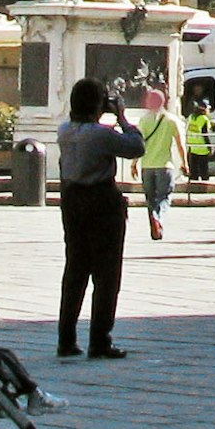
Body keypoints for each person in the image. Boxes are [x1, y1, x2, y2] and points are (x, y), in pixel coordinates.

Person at [51, 78, 136, 360]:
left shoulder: (65, 131)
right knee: (106, 273)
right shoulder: (101, 134)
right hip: (101, 201)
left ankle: (66, 338)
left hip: (72, 202)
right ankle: (99, 339)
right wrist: (122, 117)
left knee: (75, 269)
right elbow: (135, 147)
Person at [134, 78, 182, 241]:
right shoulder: (171, 120)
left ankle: (154, 223)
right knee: (164, 196)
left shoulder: (143, 120)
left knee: (150, 198)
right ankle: (159, 218)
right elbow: (180, 144)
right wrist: (185, 163)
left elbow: (138, 143)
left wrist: (134, 163)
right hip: (165, 165)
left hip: (147, 165)